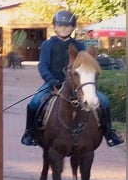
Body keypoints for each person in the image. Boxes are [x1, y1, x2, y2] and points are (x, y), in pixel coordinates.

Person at [20, 10, 124, 147]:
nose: (63, 28)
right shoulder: (47, 44)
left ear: (73, 27)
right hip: (53, 83)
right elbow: (43, 66)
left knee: (104, 101)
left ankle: (109, 133)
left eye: (67, 26)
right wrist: (50, 80)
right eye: (60, 25)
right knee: (34, 102)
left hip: (77, 84)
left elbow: (87, 66)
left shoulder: (80, 46)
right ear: (55, 27)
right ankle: (30, 133)